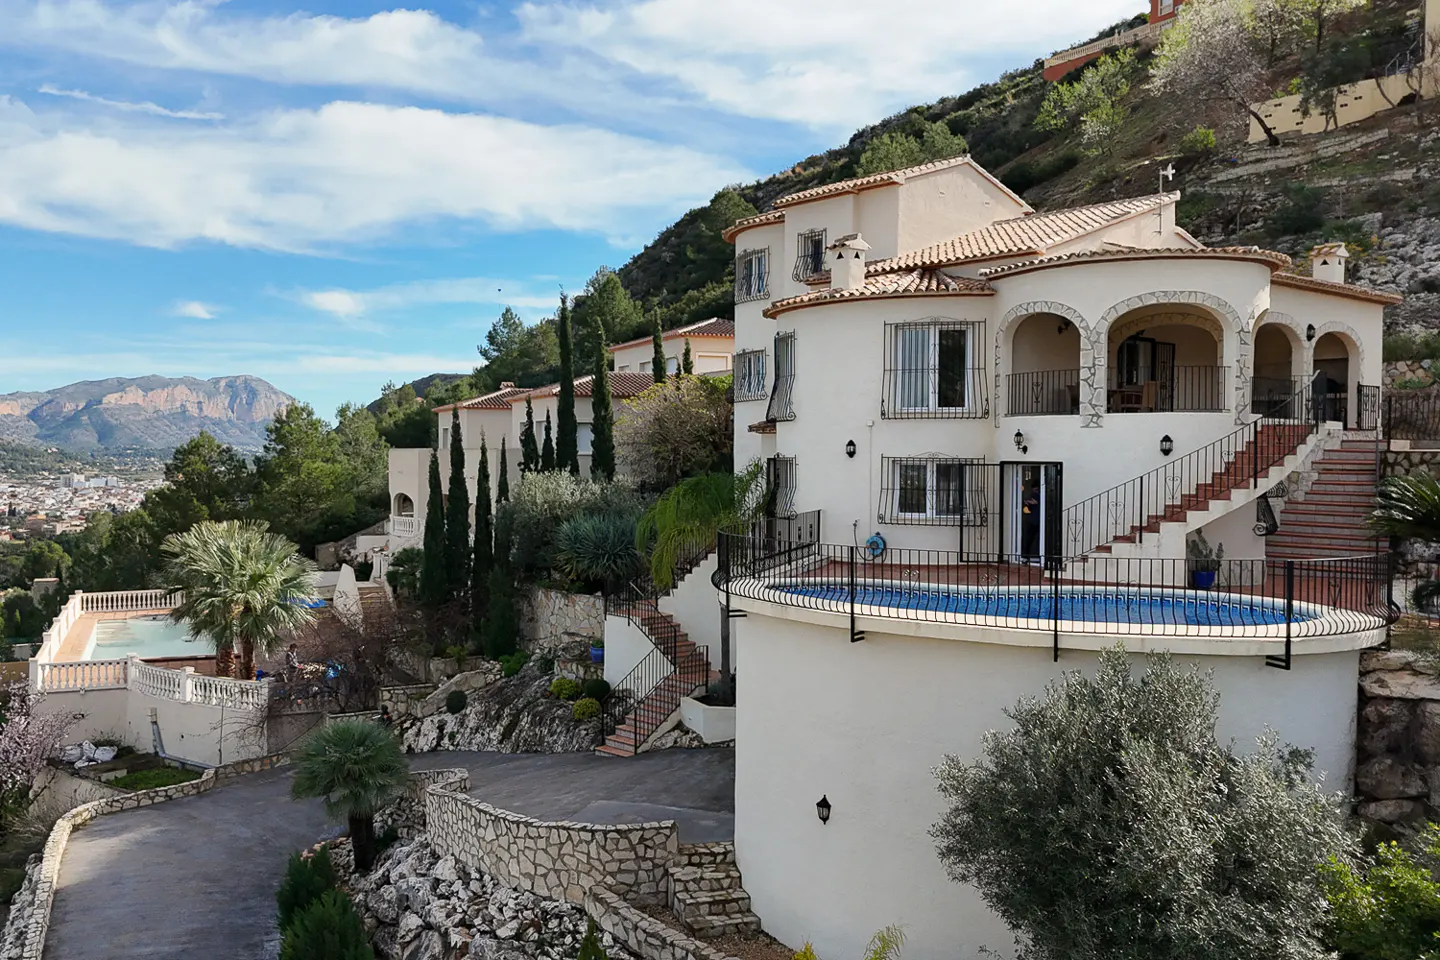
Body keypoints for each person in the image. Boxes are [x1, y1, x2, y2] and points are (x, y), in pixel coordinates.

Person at [1021, 479, 1041, 565]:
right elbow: (1027, 506)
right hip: (1033, 521)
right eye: (1035, 490)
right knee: (1029, 539)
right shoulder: (1032, 495)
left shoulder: (1040, 496)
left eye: (1037, 490)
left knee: (1032, 539)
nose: (1035, 491)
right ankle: (1025, 557)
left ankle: (1026, 557)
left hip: (1037, 521)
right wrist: (1028, 503)